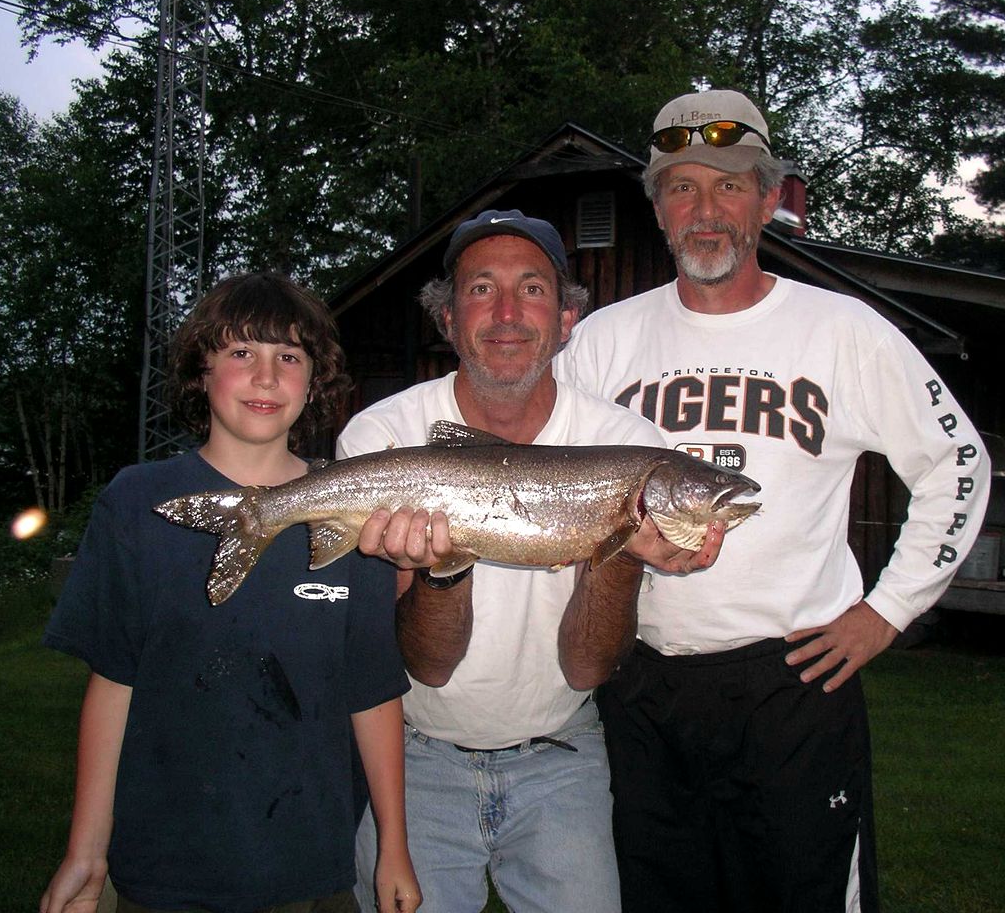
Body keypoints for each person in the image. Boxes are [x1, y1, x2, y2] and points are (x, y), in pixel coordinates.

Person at [554, 88, 991, 912]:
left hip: (791, 686)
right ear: (656, 208)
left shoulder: (843, 329)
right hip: (639, 688)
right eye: (681, 186)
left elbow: (956, 463)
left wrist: (886, 610)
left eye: (729, 185)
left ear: (769, 199)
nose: (705, 209)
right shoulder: (602, 342)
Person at [338, 209, 720, 913]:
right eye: (481, 289)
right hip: (412, 755)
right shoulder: (384, 436)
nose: (508, 312)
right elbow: (427, 665)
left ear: (568, 318)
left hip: (562, 756)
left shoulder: (625, 442)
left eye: (533, 289)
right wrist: (442, 567)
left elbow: (586, 669)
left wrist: (622, 552)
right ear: (447, 320)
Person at [40, 274, 420, 913]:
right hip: (161, 865)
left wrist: (394, 847)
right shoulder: (136, 503)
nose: (267, 377)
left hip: (310, 865)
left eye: (290, 357)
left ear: (315, 381)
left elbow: (373, 689)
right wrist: (86, 849)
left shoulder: (362, 513)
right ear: (201, 371)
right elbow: (113, 682)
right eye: (242, 352)